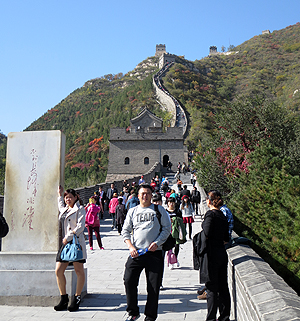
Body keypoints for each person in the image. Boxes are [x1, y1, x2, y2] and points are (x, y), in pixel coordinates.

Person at [122, 184, 171, 321]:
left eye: (148, 193)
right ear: (138, 196)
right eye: (142, 193)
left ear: (151, 195)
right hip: (136, 253)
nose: (145, 195)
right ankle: (133, 312)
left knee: (153, 287)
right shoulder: (132, 211)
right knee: (128, 280)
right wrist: (131, 247)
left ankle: (150, 316)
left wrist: (157, 243)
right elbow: (125, 231)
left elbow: (167, 229)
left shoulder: (159, 209)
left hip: (154, 253)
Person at [55, 186, 86, 312]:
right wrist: (59, 194)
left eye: (70, 197)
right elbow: (60, 205)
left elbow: (80, 226)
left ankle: (77, 298)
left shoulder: (80, 209)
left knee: (79, 270)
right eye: (66, 198)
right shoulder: (65, 209)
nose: (68, 199)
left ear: (76, 197)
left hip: (75, 243)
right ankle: (64, 298)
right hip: (64, 244)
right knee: (58, 271)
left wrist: (68, 237)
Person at [202, 190, 231, 321]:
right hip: (221, 252)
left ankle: (211, 318)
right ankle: (224, 316)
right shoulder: (223, 215)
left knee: (212, 287)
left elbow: (206, 232)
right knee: (223, 286)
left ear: (209, 200)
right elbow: (226, 238)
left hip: (211, 254)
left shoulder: (210, 215)